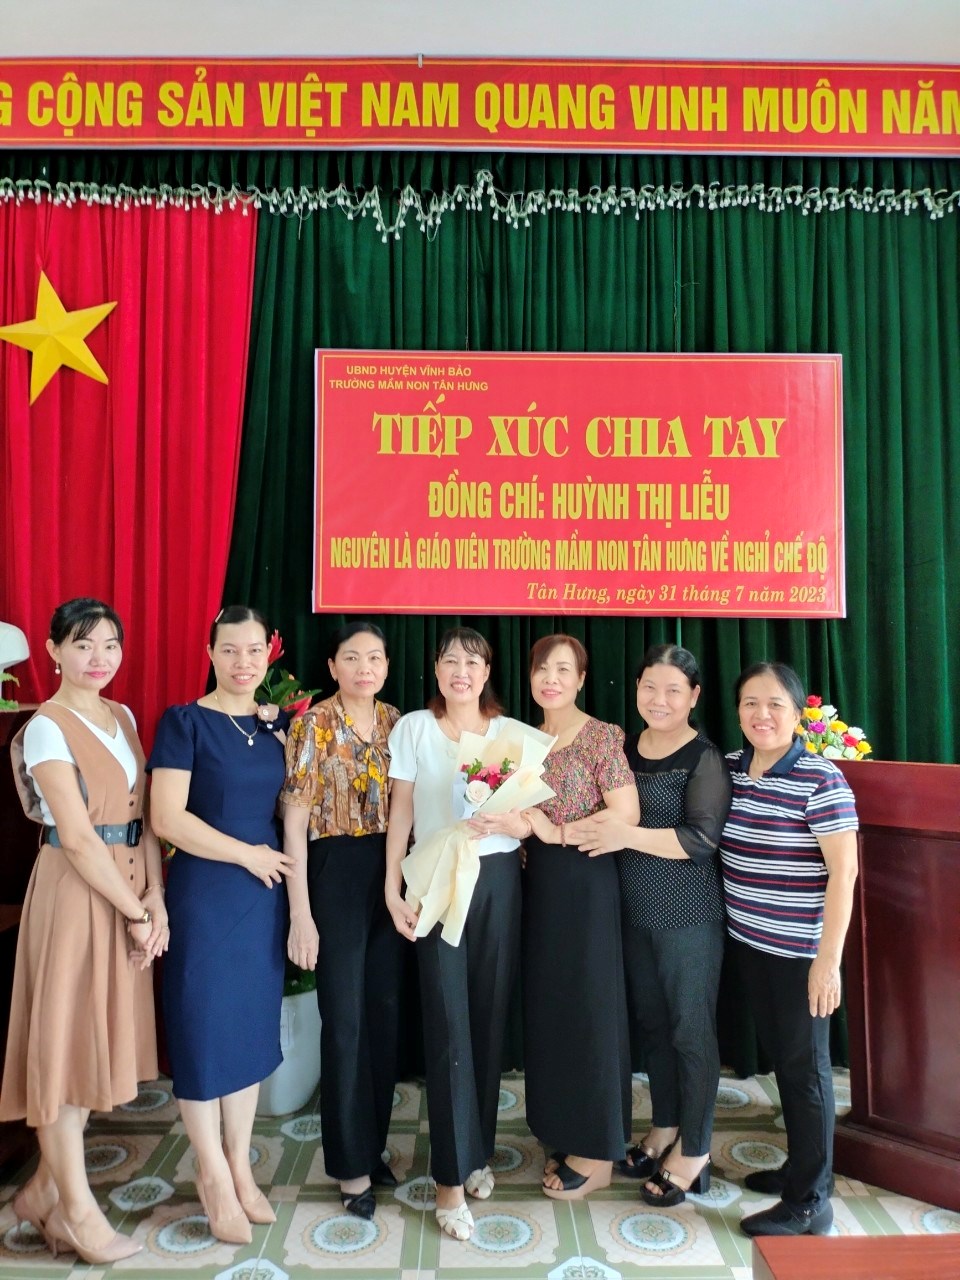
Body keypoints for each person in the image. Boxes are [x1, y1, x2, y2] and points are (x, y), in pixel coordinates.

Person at [0, 598, 167, 1264]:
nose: (98, 658)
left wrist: (155, 896)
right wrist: (136, 912)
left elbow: (142, 815)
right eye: (82, 644)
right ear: (52, 651)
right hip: (76, 896)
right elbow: (75, 835)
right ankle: (73, 1212)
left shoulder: (122, 717)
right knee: (65, 1050)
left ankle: (43, 1191)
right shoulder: (47, 727)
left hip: (126, 889)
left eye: (109, 645)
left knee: (94, 1044)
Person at [472, 634, 640, 1201]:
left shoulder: (600, 736)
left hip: (585, 882)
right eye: (543, 668)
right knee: (551, 1011)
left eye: (564, 670)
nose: (551, 679)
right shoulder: (519, 739)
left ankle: (598, 1151)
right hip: (536, 887)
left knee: (591, 1008)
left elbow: (626, 815)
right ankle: (562, 1131)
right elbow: (490, 804)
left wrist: (552, 831)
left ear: (581, 679)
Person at [149, 605, 295, 1245]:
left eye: (254, 650)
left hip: (261, 901)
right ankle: (211, 1174)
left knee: (247, 1033)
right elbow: (167, 819)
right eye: (230, 650)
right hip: (207, 896)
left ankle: (240, 1165)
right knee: (203, 1031)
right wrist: (247, 855)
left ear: (269, 655)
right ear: (210, 653)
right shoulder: (184, 722)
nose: (243, 662)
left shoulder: (275, 728)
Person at [574, 644, 732, 1205]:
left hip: (687, 914)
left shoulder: (704, 757)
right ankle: (665, 1126)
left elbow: (701, 840)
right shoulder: (622, 747)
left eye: (672, 690)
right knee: (654, 1027)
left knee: (691, 1031)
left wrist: (625, 835)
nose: (658, 699)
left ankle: (696, 1150)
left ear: (694, 696)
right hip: (632, 912)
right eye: (649, 687)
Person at [385, 627, 522, 1242]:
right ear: (436, 671)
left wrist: (514, 818)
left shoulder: (509, 735)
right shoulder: (414, 728)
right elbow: (401, 811)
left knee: (488, 1020)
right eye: (449, 661)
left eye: (472, 661)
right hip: (435, 877)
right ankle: (448, 1181)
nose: (460, 671)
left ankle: (477, 1153)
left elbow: (529, 813)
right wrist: (393, 887)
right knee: (447, 1025)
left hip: (498, 880)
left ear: (487, 671)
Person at [719, 661, 859, 1238]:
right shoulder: (732, 768)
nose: (762, 714)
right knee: (785, 1062)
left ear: (797, 714)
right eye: (750, 703)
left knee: (806, 1072)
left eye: (775, 704)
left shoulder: (821, 779)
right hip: (750, 943)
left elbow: (844, 873)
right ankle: (800, 1168)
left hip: (800, 952)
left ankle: (811, 1202)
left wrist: (828, 962)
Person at [281, 621, 402, 1220]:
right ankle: (350, 1166)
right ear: (332, 666)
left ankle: (372, 1145)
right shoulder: (313, 725)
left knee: (383, 1014)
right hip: (333, 872)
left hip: (392, 870)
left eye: (374, 658)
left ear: (386, 666)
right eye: (351, 658)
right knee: (345, 1020)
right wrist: (300, 913)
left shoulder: (396, 723)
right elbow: (294, 820)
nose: (364, 668)